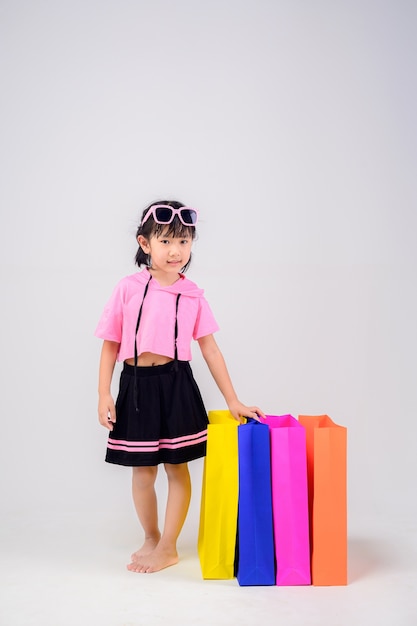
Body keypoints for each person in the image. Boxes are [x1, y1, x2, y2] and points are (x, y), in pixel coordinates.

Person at [95, 199, 264, 574]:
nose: (176, 251)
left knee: (176, 468)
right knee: (142, 472)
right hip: (136, 385)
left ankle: (169, 547)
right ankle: (152, 537)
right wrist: (104, 393)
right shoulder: (127, 288)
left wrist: (232, 399)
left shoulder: (193, 294)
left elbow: (211, 349)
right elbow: (110, 342)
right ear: (145, 244)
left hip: (176, 385)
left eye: (184, 242)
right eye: (167, 241)